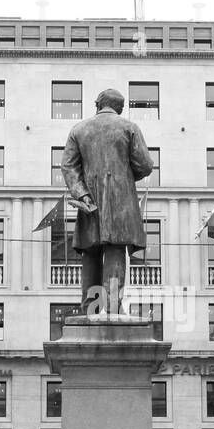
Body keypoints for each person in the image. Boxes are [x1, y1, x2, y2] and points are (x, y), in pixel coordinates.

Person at [60, 88, 154, 314]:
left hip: (89, 200)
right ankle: (113, 307)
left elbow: (68, 167)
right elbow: (145, 165)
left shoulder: (79, 129)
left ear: (98, 104)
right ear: (120, 108)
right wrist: (125, 176)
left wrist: (82, 194)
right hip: (120, 200)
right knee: (114, 250)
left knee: (90, 252)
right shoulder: (129, 128)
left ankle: (90, 309)